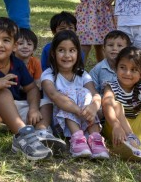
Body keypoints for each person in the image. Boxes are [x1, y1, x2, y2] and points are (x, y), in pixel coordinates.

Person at [0, 17, 64, 161]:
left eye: (6, 40)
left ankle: (42, 133)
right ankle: (22, 138)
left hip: (8, 113)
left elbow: (31, 89)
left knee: (45, 101)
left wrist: (33, 108)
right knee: (2, 92)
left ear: (14, 46)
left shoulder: (17, 64)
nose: (0, 44)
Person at [41, 30, 107, 159]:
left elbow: (95, 94)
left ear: (78, 53)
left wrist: (93, 106)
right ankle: (77, 138)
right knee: (70, 92)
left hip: (84, 118)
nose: (67, 55)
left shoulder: (82, 74)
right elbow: (54, 95)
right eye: (61, 50)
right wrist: (77, 110)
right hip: (59, 121)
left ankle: (95, 139)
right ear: (53, 54)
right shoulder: (49, 74)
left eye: (72, 50)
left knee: (86, 93)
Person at [89, 30, 131, 95]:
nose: (114, 48)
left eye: (119, 46)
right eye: (110, 45)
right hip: (104, 103)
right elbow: (91, 91)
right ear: (104, 49)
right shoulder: (97, 69)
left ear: (127, 50)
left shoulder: (131, 68)